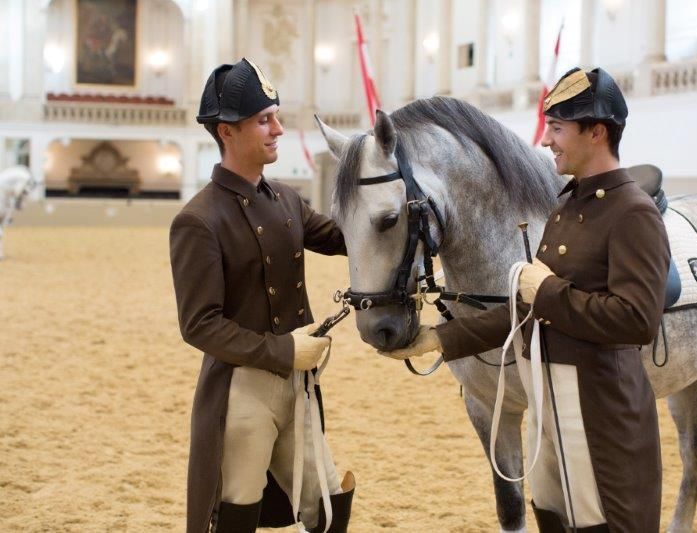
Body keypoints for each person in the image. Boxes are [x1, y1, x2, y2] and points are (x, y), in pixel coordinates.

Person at [383, 67, 669, 532]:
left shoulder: (632, 213)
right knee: (553, 518)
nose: (547, 139)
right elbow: (530, 313)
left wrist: (548, 291)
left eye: (557, 128)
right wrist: (441, 339)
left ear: (597, 132)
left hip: (601, 418)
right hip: (551, 407)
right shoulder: (567, 207)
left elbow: (637, 321)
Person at [170, 58, 354, 533]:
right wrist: (284, 349)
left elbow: (343, 238)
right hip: (242, 388)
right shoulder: (198, 219)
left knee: (329, 505)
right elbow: (199, 324)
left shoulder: (287, 199)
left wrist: (400, 215)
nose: (278, 128)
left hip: (300, 385)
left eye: (276, 116)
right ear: (226, 132)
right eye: (264, 119)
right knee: (236, 516)